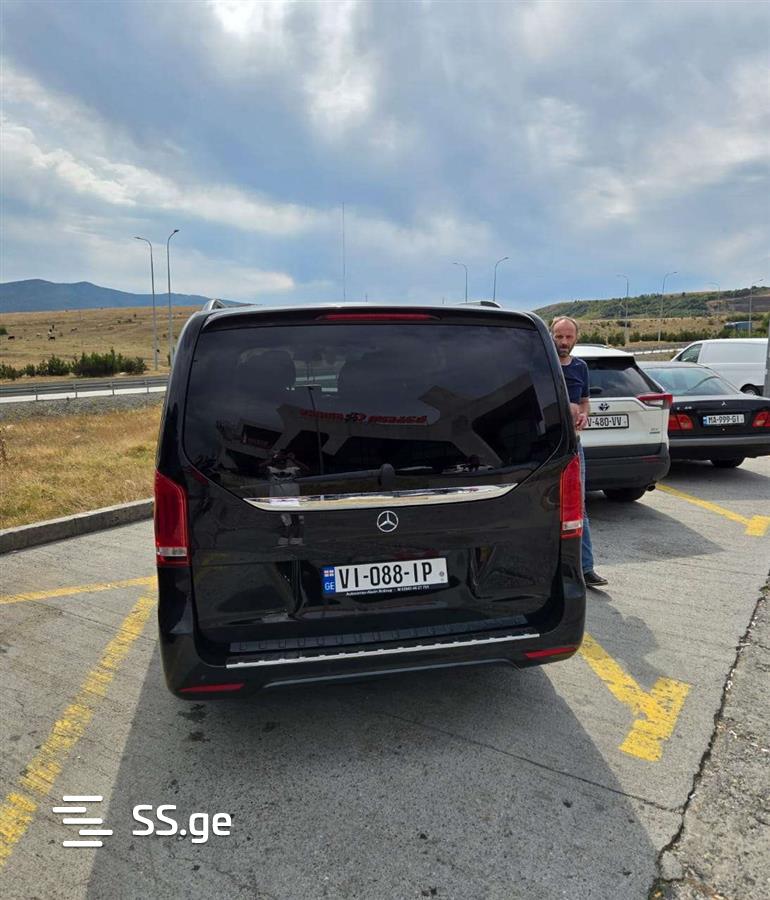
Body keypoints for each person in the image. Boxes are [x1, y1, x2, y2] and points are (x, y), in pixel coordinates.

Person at [550, 316, 608, 588]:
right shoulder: (542, 364)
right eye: (559, 336)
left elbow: (584, 402)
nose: (563, 342)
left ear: (576, 338)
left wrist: (584, 414)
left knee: (577, 507)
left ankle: (585, 568)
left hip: (573, 445)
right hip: (545, 446)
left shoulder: (580, 367)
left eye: (568, 337)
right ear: (550, 336)